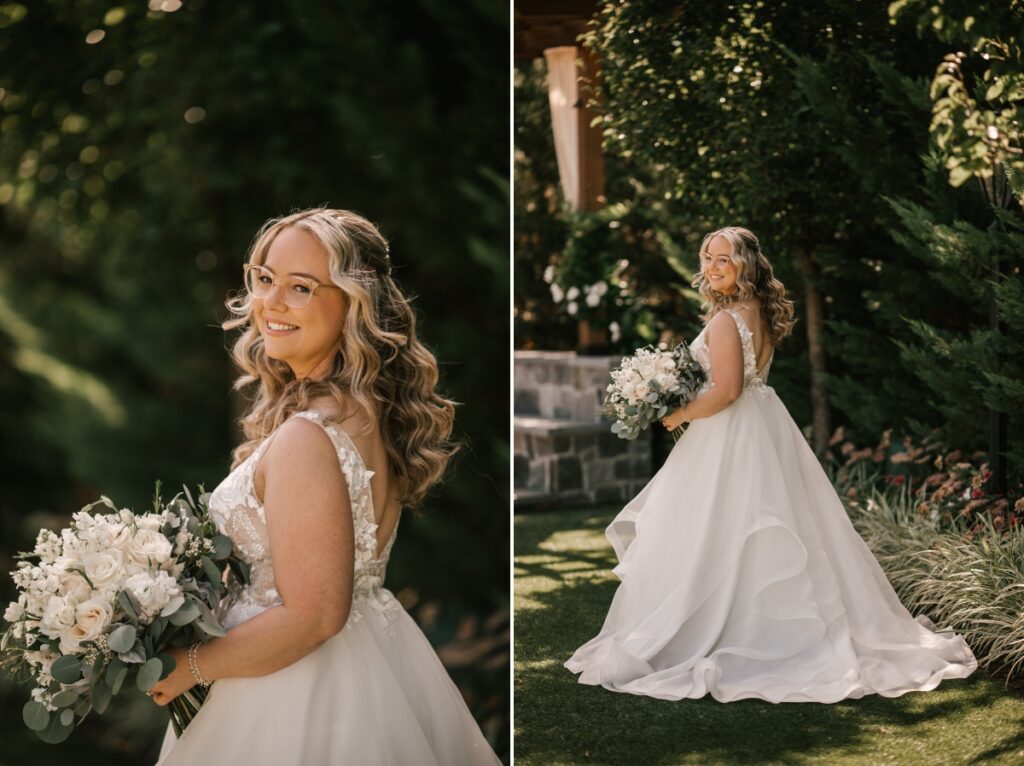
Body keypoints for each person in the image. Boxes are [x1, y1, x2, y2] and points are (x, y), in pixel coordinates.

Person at [565, 226, 977, 703]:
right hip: (763, 426)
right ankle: (765, 623)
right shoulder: (757, 311)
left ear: (746, 265)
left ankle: (735, 632)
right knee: (761, 524)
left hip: (731, 433)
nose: (713, 268)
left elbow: (727, 391)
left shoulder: (725, 321)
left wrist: (677, 412)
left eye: (724, 259)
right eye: (708, 258)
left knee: (724, 527)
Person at [150, 208, 501, 764]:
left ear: (354, 303)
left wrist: (187, 667)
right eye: (265, 279)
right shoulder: (362, 415)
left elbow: (315, 615)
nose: (272, 303)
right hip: (372, 664)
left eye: (302, 287)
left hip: (290, 692)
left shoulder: (307, 437)